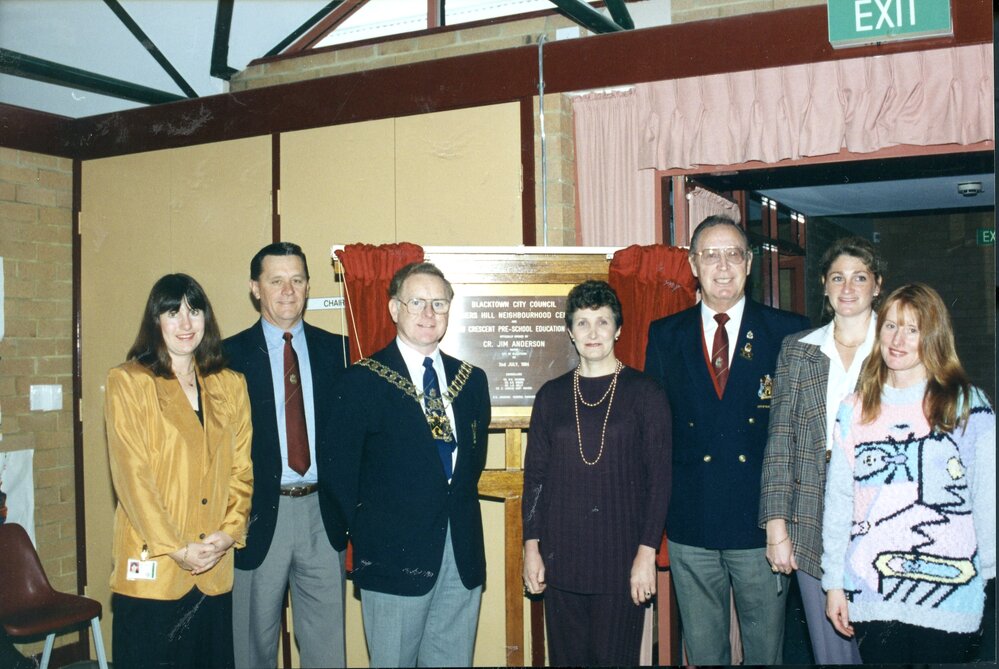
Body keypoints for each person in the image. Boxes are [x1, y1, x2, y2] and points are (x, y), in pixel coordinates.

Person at [644, 215, 810, 664]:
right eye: (710, 255)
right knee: (703, 651)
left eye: (733, 254)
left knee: (764, 652)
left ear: (750, 263)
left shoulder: (789, 332)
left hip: (761, 526)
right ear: (693, 265)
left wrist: (789, 522)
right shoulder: (665, 335)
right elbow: (656, 435)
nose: (722, 266)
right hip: (691, 524)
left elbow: (802, 438)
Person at [821, 282, 996, 664]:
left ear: (932, 337)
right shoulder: (855, 408)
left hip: (952, 593)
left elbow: (988, 498)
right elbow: (838, 503)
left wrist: (985, 577)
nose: (897, 340)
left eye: (912, 329)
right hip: (873, 593)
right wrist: (834, 582)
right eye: (890, 326)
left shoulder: (966, 404)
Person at [328, 261, 491, 667]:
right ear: (393, 309)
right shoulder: (361, 382)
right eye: (416, 301)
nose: (428, 313)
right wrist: (367, 540)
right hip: (392, 559)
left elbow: (468, 468)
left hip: (460, 555)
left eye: (439, 303)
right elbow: (339, 477)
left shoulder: (471, 381)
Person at [105, 273, 253, 669]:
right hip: (156, 568)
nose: (186, 324)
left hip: (214, 567)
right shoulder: (129, 382)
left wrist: (226, 535)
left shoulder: (231, 385)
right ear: (156, 321)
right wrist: (178, 548)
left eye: (195, 310)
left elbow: (242, 470)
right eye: (173, 313)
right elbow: (133, 480)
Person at [521, 280, 672, 666]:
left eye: (602, 322)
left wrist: (646, 554)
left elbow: (659, 481)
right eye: (583, 323)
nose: (593, 333)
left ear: (618, 329)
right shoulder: (550, 396)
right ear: (570, 331)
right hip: (561, 560)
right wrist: (531, 547)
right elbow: (535, 478)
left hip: (621, 561)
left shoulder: (646, 392)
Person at [758, 236, 884, 664]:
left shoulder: (899, 348)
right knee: (832, 650)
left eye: (860, 277)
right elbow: (780, 445)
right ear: (825, 287)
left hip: (885, 517)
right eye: (837, 278)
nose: (848, 288)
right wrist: (777, 528)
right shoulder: (799, 350)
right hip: (811, 519)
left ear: (877, 285)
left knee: (885, 644)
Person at [225, 242, 350, 668]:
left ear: (309, 287)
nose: (287, 290)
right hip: (259, 514)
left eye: (297, 280)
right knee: (251, 648)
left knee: (327, 648)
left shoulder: (340, 351)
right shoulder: (227, 357)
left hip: (322, 514)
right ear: (255, 289)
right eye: (275, 281)